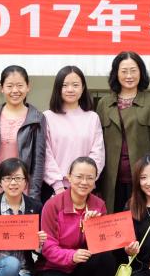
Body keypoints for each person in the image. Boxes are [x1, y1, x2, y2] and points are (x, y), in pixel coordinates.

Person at [36, 157, 119, 276]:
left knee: (106, 257)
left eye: (90, 178)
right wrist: (72, 256)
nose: (84, 182)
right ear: (69, 177)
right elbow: (48, 247)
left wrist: (92, 228)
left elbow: (100, 246)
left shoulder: (98, 205)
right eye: (79, 176)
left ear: (95, 180)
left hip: (80, 268)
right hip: (52, 269)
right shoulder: (52, 205)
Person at [97, 51, 150, 213]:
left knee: (141, 217)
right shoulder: (104, 103)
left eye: (133, 70)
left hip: (143, 176)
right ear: (116, 73)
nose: (129, 76)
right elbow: (97, 142)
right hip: (111, 178)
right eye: (124, 71)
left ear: (141, 72)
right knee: (113, 218)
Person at [0, 65, 47, 200]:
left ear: (28, 87)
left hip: (22, 187)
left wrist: (33, 196)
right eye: (9, 86)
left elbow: (38, 161)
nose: (15, 90)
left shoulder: (37, 118)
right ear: (1, 88)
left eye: (20, 85)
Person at [42, 66, 105, 203]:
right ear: (58, 88)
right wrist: (58, 186)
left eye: (75, 85)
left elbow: (98, 154)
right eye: (65, 85)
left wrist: (86, 180)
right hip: (55, 189)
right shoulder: (47, 117)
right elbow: (46, 154)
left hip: (85, 188)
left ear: (83, 88)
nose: (70, 89)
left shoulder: (92, 118)